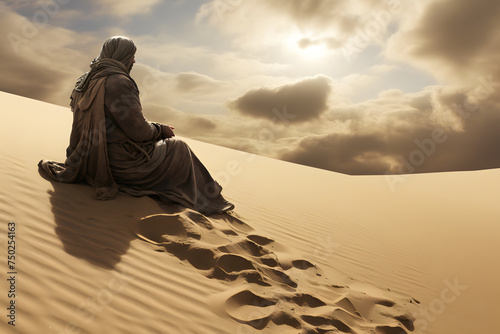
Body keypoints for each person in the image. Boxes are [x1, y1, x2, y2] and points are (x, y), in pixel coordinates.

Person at [39, 36, 234, 215]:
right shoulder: (119, 82)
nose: (133, 61)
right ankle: (207, 200)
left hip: (85, 157)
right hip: (119, 164)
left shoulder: (84, 81)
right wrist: (160, 130)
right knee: (179, 148)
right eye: (132, 57)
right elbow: (139, 132)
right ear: (124, 56)